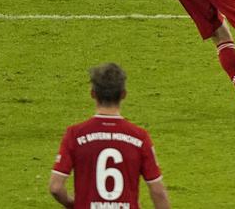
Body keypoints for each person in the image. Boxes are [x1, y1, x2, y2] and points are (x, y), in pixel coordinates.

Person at [48, 63, 171, 209]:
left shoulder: (75, 135)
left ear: (93, 93)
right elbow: (158, 192)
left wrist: (72, 203)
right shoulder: (139, 137)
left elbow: (55, 187)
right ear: (123, 94)